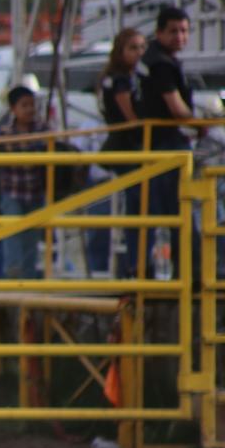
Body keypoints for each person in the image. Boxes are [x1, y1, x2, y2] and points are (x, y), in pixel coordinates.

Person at [136, 4, 196, 277]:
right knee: (180, 212)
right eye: (173, 31)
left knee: (161, 214)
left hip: (158, 145)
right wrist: (202, 125)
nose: (180, 37)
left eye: (184, 31)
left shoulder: (155, 59)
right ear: (159, 32)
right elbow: (176, 108)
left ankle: (167, 271)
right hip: (167, 146)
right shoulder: (160, 64)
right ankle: (188, 273)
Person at [99, 27, 148, 278]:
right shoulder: (121, 80)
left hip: (126, 146)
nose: (139, 53)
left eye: (142, 47)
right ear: (120, 51)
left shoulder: (125, 76)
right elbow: (132, 118)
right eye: (133, 48)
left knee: (139, 208)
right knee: (138, 207)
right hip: (127, 146)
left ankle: (137, 262)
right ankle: (137, 264)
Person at [0, 85, 51, 281]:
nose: (30, 110)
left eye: (32, 105)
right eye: (24, 105)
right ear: (13, 108)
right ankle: (11, 281)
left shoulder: (42, 129)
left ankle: (28, 282)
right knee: (13, 241)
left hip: (35, 193)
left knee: (31, 242)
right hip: (12, 194)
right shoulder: (4, 132)